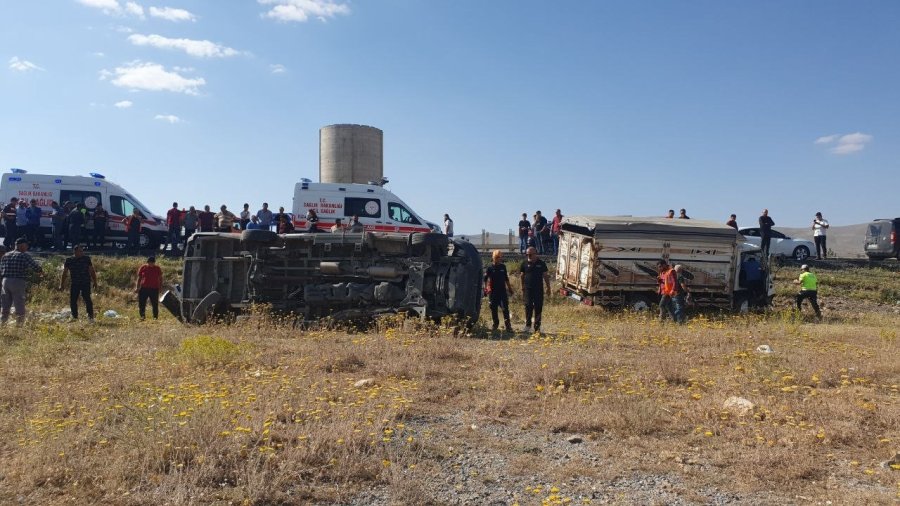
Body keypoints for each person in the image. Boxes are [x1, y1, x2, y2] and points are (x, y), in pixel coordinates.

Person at [0, 237, 43, 325]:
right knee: (19, 304)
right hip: (17, 281)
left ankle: (3, 323)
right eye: (26, 245)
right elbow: (35, 267)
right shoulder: (23, 255)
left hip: (5, 281)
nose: (27, 247)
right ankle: (19, 325)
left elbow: (1, 269)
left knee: (5, 305)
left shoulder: (6, 255)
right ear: (21, 246)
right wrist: (41, 272)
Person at [59, 244, 97, 321]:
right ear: (75, 252)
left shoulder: (86, 259)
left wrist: (95, 282)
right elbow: (65, 273)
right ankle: (74, 316)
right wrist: (61, 284)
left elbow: (92, 271)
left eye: (82, 251)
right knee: (73, 300)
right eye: (80, 251)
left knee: (87, 299)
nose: (82, 253)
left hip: (85, 282)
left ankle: (90, 316)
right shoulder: (69, 260)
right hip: (75, 283)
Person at [520, 246, 551, 333]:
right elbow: (522, 276)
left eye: (530, 254)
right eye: (527, 254)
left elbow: (545, 276)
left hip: (538, 289)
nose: (528, 256)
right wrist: (522, 286)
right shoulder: (524, 263)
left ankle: (537, 327)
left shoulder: (541, 263)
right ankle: (528, 325)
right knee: (528, 306)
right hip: (528, 289)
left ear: (535, 254)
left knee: (538, 307)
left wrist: (548, 287)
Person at [484, 250, 514, 332]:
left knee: (505, 309)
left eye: (500, 257)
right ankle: (495, 325)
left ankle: (508, 326)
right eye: (497, 257)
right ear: (493, 258)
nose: (499, 259)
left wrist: (510, 289)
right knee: (493, 309)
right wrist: (485, 289)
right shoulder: (490, 268)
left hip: (502, 292)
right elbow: (485, 279)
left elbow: (506, 279)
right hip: (493, 293)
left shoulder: (503, 267)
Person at [135, 256, 163, 320]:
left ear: (154, 263)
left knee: (155, 304)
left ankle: (155, 317)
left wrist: (160, 287)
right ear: (148, 262)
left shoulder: (157, 268)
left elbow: (161, 278)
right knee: (142, 303)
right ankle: (142, 316)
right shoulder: (143, 267)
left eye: (152, 263)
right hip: (144, 288)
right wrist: (137, 287)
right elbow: (139, 278)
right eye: (150, 263)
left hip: (154, 289)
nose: (151, 264)